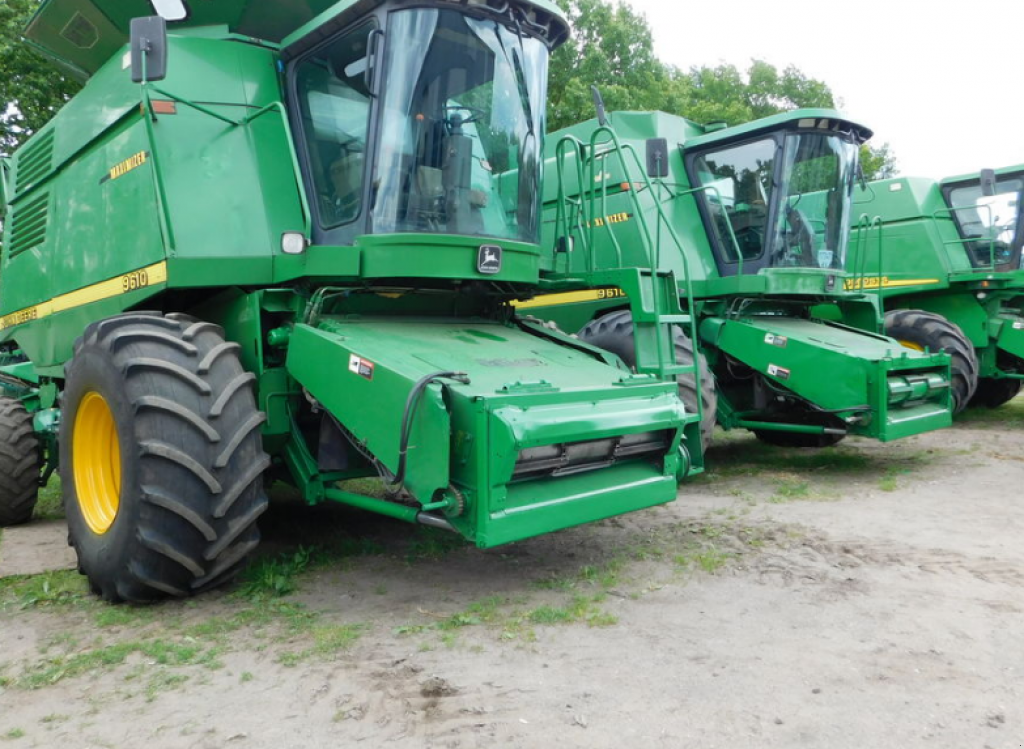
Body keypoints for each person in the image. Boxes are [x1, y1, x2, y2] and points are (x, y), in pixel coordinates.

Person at [322, 149, 363, 224]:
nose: (336, 178)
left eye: (338, 171)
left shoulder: (364, 206)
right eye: (334, 172)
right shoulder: (326, 206)